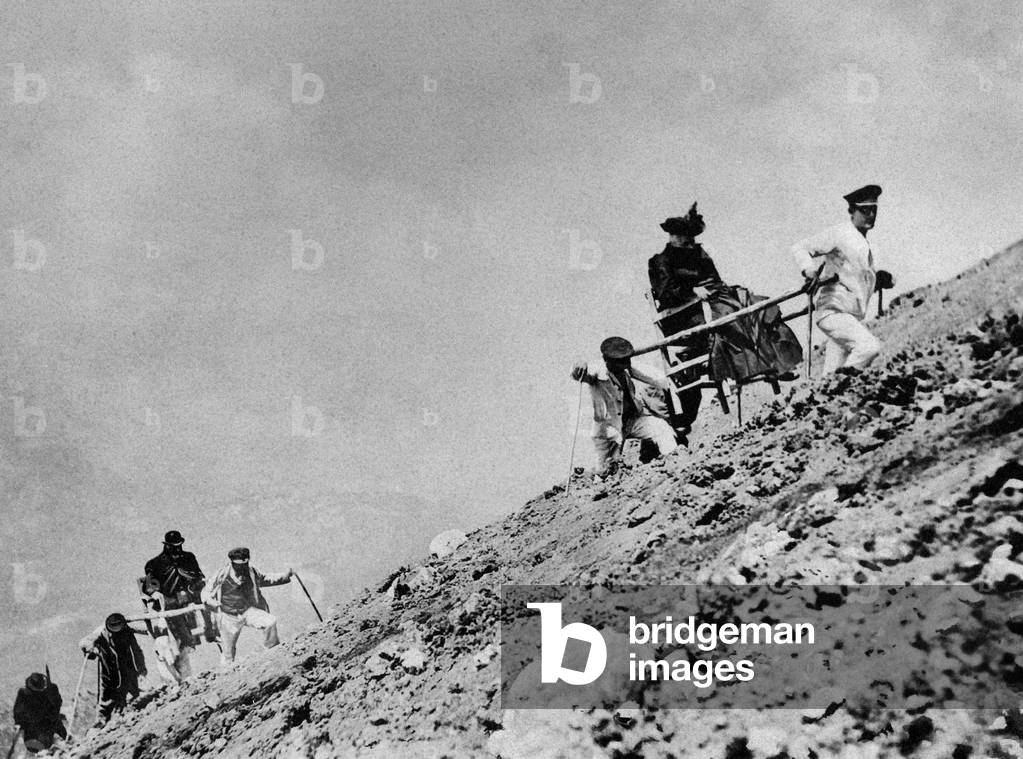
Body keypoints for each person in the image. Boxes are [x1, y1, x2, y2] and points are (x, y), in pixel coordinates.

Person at [647, 202, 731, 436]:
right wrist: (693, 292)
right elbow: (666, 293)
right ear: (673, 236)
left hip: (709, 309)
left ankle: (769, 363)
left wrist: (714, 290)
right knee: (726, 320)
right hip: (680, 318)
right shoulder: (660, 261)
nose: (690, 241)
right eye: (685, 237)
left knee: (744, 302)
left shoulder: (698, 255)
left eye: (692, 237)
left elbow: (715, 280)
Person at [792, 184, 893, 374]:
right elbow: (801, 247)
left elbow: (858, 281)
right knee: (869, 347)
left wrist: (881, 280)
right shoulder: (841, 233)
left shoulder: (867, 245)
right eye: (865, 210)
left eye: (874, 210)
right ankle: (842, 383)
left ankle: (831, 387)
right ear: (851, 211)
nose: (871, 215)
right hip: (833, 312)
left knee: (829, 378)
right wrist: (809, 271)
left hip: (851, 317)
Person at [571, 336, 679, 472]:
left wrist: (674, 379)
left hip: (632, 421)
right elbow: (580, 374)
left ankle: (676, 463)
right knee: (606, 470)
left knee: (661, 428)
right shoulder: (598, 371)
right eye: (620, 362)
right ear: (607, 360)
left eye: (626, 361)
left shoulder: (626, 366)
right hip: (609, 430)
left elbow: (655, 376)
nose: (625, 365)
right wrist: (578, 367)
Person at [203, 548, 293, 667]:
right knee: (228, 653)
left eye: (244, 565)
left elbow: (264, 579)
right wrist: (210, 602)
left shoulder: (251, 571)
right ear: (232, 563)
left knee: (270, 621)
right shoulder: (222, 574)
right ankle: (227, 674)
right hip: (228, 616)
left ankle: (273, 652)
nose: (242, 568)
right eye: (238, 566)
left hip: (247, 611)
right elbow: (206, 591)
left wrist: (285, 575)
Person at [143, 530, 213, 645]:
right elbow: (148, 585)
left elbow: (199, 575)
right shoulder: (155, 563)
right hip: (170, 598)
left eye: (179, 545)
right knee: (172, 610)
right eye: (174, 546)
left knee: (208, 601)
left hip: (190, 594)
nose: (177, 549)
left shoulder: (188, 557)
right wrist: (155, 593)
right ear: (166, 545)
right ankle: (187, 642)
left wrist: (197, 583)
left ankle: (211, 633)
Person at [79, 613, 147, 725]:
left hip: (126, 665)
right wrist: (90, 648)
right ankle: (101, 721)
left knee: (131, 688)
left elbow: (136, 650)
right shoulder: (100, 632)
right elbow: (84, 642)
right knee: (107, 694)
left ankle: (129, 712)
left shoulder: (127, 631)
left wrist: (141, 668)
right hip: (109, 668)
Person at [12, 672, 67, 753]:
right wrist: (21, 723)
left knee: (64, 739)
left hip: (51, 721)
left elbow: (57, 704)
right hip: (33, 726)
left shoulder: (51, 688)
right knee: (34, 747)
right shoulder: (24, 694)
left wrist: (53, 697)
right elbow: (18, 713)